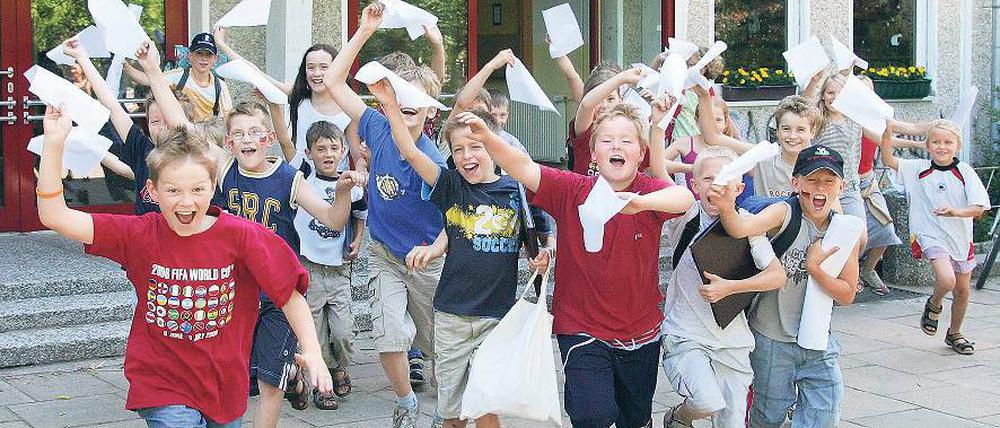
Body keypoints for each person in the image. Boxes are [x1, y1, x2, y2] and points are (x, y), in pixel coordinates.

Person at [35, 104, 332, 426]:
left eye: (198, 190)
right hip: (161, 381)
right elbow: (55, 216)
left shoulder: (244, 236)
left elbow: (288, 294)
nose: (186, 201)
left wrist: (313, 351)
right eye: (173, 191)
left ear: (213, 185)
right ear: (152, 190)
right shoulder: (139, 234)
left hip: (223, 385)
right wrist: (53, 145)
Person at [476, 99, 695, 428]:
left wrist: (638, 204)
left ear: (640, 153)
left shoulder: (649, 193)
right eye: (606, 140)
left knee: (634, 419)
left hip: (641, 330)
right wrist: (488, 137)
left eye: (626, 141)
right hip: (580, 325)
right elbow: (523, 168)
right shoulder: (572, 189)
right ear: (593, 153)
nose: (616, 146)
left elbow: (685, 199)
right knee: (592, 414)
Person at [324, 4, 448, 426]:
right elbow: (335, 82)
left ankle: (444, 408)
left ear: (431, 110)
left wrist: (434, 249)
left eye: (416, 100)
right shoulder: (376, 126)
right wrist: (363, 30)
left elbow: (453, 218)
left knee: (438, 346)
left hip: (429, 261)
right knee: (389, 334)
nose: (405, 104)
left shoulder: (432, 159)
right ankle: (406, 402)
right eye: (399, 96)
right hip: (385, 254)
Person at [220, 101, 361, 425]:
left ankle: (288, 378)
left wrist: (341, 193)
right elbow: (177, 122)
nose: (247, 139)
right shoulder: (224, 169)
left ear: (269, 138)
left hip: (278, 296)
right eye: (238, 134)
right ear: (229, 143)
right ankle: (294, 378)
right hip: (236, 295)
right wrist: (155, 73)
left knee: (270, 385)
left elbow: (333, 220)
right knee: (243, 380)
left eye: (255, 132)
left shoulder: (289, 178)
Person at [709, 145, 862, 428]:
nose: (820, 188)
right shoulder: (784, 213)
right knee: (768, 417)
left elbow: (848, 293)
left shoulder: (845, 230)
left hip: (818, 340)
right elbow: (742, 229)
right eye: (812, 180)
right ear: (795, 183)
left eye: (829, 181)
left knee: (825, 413)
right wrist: (727, 206)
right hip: (772, 339)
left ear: (841, 186)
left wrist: (815, 268)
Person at [661, 147, 787, 428]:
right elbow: (658, 169)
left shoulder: (748, 225)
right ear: (694, 186)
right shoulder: (686, 215)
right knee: (707, 401)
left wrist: (731, 287)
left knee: (731, 422)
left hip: (733, 342)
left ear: (739, 187)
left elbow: (777, 276)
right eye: (707, 179)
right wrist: (658, 125)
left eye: (725, 178)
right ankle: (678, 419)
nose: (716, 185)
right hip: (685, 335)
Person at [879, 120, 991, 355]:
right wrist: (886, 133)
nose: (942, 147)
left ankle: (955, 332)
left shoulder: (965, 172)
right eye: (936, 142)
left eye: (948, 142)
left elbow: (979, 208)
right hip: (930, 235)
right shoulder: (917, 168)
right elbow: (889, 160)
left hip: (960, 238)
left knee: (962, 290)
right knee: (946, 279)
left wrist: (955, 212)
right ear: (927, 145)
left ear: (957, 145)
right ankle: (935, 302)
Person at [62, 38, 203, 215]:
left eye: (167, 120)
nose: (161, 127)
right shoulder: (142, 147)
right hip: (147, 236)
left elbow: (179, 122)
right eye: (155, 121)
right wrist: (82, 57)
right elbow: (112, 105)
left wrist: (151, 69)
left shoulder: (195, 152)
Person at [293, 121, 368, 410]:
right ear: (309, 153)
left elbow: (360, 214)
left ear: (343, 152)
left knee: (343, 331)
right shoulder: (302, 185)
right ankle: (321, 383)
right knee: (314, 331)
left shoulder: (351, 186)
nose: (328, 154)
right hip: (309, 267)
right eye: (320, 149)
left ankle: (340, 366)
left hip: (338, 270)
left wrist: (358, 240)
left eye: (334, 148)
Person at [696, 88, 820, 199]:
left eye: (801, 130)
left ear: (812, 132)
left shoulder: (820, 164)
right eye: (786, 129)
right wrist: (703, 96)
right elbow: (713, 137)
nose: (793, 136)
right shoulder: (764, 154)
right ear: (777, 130)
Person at [126, 33, 233, 122]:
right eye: (199, 53)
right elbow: (148, 80)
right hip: (180, 138)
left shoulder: (220, 86)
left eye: (208, 54)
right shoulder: (179, 76)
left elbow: (228, 118)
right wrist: (125, 66)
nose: (203, 58)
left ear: (215, 59)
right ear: (190, 56)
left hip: (207, 141)